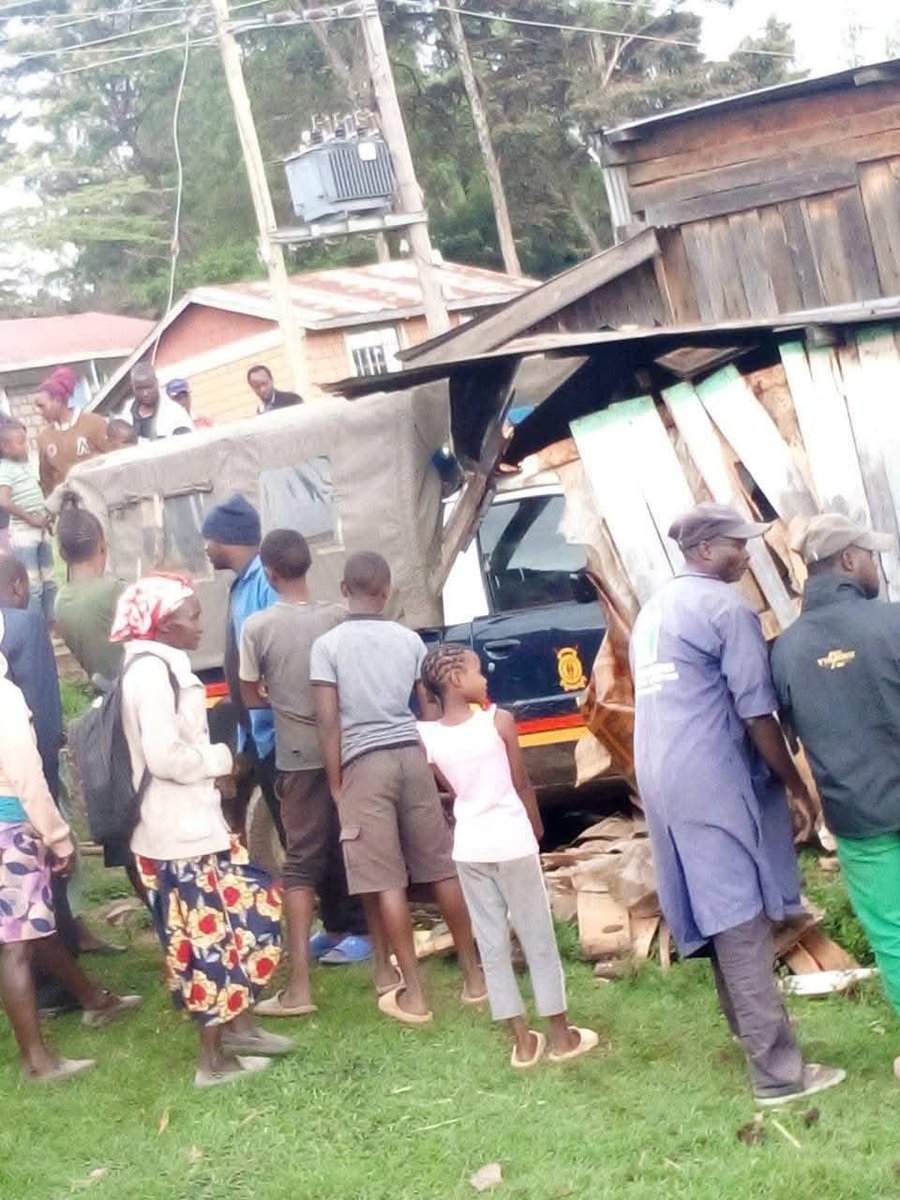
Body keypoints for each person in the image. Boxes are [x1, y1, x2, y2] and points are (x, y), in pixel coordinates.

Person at [630, 502, 845, 1106]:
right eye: (736, 544)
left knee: (725, 916)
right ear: (704, 551)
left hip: (664, 778)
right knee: (740, 917)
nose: (746, 554)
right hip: (711, 777)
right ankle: (778, 1075)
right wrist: (796, 785)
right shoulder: (725, 608)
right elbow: (757, 711)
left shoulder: (656, 609)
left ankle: (755, 1038)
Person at [112, 574, 292, 1087]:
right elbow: (164, 755)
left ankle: (240, 1026)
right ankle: (212, 1061)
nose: (200, 622)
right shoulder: (151, 675)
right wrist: (219, 759)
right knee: (205, 942)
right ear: (164, 623)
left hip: (194, 825)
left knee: (241, 917)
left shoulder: (158, 665)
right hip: (177, 832)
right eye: (191, 614)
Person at [311, 551, 485, 1025]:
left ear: (345, 590)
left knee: (385, 880)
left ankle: (413, 992)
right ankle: (474, 977)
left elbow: (328, 721)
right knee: (440, 868)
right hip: (411, 753)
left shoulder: (326, 647)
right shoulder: (409, 640)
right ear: (386, 592)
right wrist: (433, 764)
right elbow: (428, 711)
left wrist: (335, 781)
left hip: (363, 764)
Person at [419, 643, 599, 1067]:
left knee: (492, 944)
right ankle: (560, 1037)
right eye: (477, 671)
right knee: (537, 937)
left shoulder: (426, 736)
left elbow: (450, 787)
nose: (485, 678)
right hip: (512, 840)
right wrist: (535, 828)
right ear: (457, 681)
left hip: (470, 848)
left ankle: (522, 1043)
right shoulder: (499, 722)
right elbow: (521, 783)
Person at [770, 515, 900, 1040]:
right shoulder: (893, 623)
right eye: (870, 554)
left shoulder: (784, 651)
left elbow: (792, 735)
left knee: (893, 933)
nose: (876, 564)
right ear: (849, 561)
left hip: (859, 817)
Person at [0, 613, 141, 1081]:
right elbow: (27, 778)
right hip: (10, 830)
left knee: (34, 931)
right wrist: (57, 837)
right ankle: (37, 1061)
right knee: (18, 945)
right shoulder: (4, 699)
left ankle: (92, 999)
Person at [239, 530, 374, 1017]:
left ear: (269, 574)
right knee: (353, 843)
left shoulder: (257, 627)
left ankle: (299, 985)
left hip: (295, 754)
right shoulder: (338, 617)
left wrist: (282, 703)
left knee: (300, 858)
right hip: (348, 748)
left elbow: (251, 695)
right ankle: (365, 943)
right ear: (309, 565)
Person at [202, 495, 283, 845]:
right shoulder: (241, 585)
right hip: (260, 738)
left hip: (281, 737)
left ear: (227, 539)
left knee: (302, 843)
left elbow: (279, 654)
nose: (205, 548)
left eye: (209, 539)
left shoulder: (266, 582)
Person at [55, 492, 124, 685]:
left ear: (62, 554)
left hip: (101, 692)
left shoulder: (60, 601)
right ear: (102, 546)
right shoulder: (116, 591)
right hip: (131, 690)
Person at [0, 419, 56, 620]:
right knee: (32, 584)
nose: (25, 446)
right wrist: (30, 519)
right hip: (24, 532)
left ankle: (52, 621)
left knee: (49, 579)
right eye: (20, 443)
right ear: (4, 447)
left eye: (25, 441)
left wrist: (44, 518)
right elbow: (3, 501)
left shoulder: (25, 465)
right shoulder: (4, 469)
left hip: (40, 528)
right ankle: (37, 623)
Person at [34, 366, 109, 496]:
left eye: (42, 406)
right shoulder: (44, 438)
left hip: (101, 496)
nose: (40, 412)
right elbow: (47, 480)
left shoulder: (95, 423)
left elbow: (114, 458)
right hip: (70, 506)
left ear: (57, 400)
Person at [114, 363, 194, 440]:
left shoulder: (175, 413)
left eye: (149, 387)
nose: (145, 393)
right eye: (140, 389)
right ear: (133, 387)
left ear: (156, 383)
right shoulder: (126, 413)